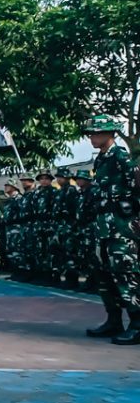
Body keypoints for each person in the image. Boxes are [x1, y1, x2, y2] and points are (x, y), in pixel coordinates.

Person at [82, 116, 140, 344]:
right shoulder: (102, 160)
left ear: (109, 133)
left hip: (121, 227)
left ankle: (137, 323)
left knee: (126, 272)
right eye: (90, 134)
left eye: (96, 133)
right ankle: (113, 320)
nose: (91, 138)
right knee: (103, 274)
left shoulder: (122, 158)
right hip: (103, 226)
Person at [52, 169, 81, 289]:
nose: (59, 180)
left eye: (61, 177)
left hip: (69, 225)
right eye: (58, 177)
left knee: (71, 253)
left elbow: (74, 210)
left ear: (68, 178)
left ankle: (72, 279)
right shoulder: (60, 192)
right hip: (61, 225)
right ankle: (66, 278)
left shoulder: (71, 190)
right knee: (62, 252)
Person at [73, 170, 100, 293]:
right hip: (83, 227)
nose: (78, 181)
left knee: (94, 255)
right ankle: (90, 280)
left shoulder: (93, 191)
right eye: (77, 179)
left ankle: (96, 282)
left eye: (81, 179)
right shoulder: (80, 193)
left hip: (92, 226)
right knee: (85, 254)